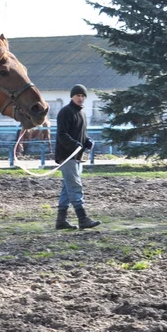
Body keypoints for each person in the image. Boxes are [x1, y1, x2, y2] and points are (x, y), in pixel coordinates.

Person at [54, 84, 101, 230]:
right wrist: (75, 145)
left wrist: (87, 141)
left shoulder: (81, 113)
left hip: (77, 156)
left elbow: (80, 133)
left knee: (67, 188)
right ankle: (82, 218)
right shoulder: (65, 112)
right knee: (75, 186)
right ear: (72, 96)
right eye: (78, 95)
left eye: (83, 96)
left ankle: (61, 221)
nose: (80, 98)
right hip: (67, 156)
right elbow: (62, 135)